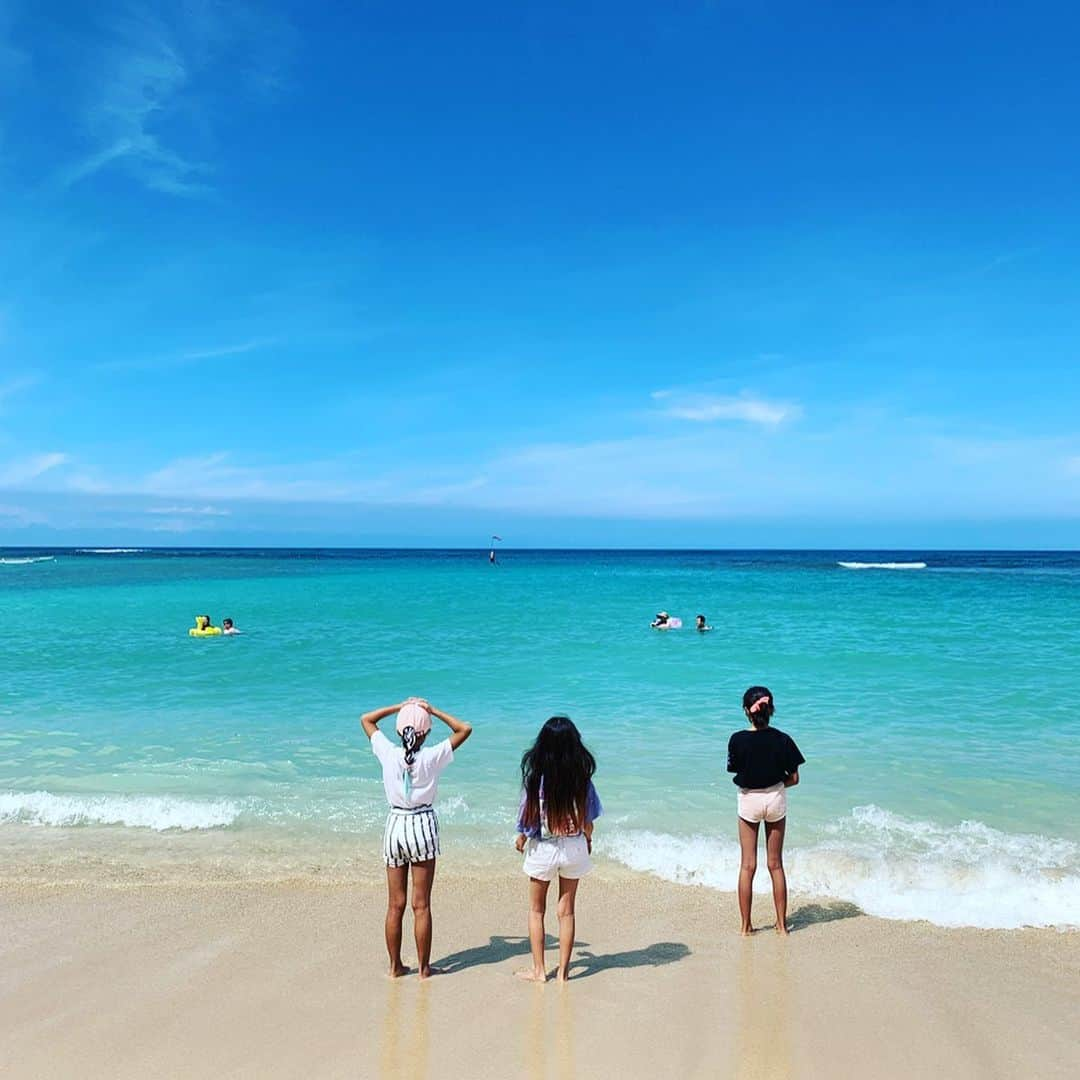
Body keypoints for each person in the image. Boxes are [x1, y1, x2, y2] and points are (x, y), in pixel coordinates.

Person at [361, 698, 473, 978]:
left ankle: (395, 966)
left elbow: (366, 720)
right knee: (421, 905)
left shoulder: (388, 753)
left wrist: (398, 708)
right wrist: (432, 710)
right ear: (425, 733)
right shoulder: (431, 757)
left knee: (394, 905)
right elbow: (464, 729)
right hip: (422, 825)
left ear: (400, 732)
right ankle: (424, 969)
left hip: (395, 825)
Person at [514, 716, 602, 983]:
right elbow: (589, 822)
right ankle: (563, 973)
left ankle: (539, 971)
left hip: (544, 848)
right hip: (574, 847)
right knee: (566, 911)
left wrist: (521, 837)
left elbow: (527, 819)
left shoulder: (535, 781)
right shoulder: (582, 781)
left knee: (536, 910)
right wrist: (586, 839)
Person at [727, 686, 804, 936]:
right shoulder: (783, 739)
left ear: (746, 712)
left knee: (747, 866)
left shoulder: (737, 739)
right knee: (775, 865)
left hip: (749, 801)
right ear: (771, 710)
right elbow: (794, 778)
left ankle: (746, 927)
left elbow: (737, 770)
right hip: (775, 799)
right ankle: (781, 926)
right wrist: (779, 783)